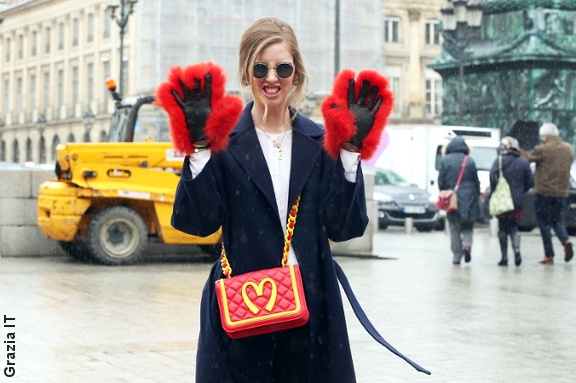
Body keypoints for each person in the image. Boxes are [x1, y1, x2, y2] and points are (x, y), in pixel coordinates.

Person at [155, 17, 427, 382]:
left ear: (296, 74)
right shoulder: (222, 141)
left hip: (312, 309)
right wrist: (200, 148)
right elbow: (196, 223)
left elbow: (344, 227)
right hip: (241, 308)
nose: (272, 78)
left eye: (283, 67)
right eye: (260, 68)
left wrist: (349, 151)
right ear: (245, 73)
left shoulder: (321, 142)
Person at [521, 122, 574, 264]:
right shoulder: (568, 148)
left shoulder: (542, 149)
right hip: (562, 192)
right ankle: (566, 241)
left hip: (544, 192)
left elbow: (527, 157)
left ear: (545, 136)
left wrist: (516, 149)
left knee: (544, 223)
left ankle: (549, 254)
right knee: (557, 220)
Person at [489, 136, 534, 266]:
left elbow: (493, 178)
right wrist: (520, 191)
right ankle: (517, 251)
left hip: (501, 201)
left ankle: (504, 257)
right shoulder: (524, 162)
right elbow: (531, 182)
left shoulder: (498, 161)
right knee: (514, 227)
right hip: (517, 201)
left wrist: (496, 191)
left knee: (502, 227)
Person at [438, 136, 480, 265]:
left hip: (453, 199)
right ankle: (467, 245)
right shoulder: (470, 161)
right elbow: (476, 181)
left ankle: (457, 256)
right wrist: (475, 194)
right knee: (467, 226)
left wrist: (446, 192)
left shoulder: (445, 161)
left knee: (454, 227)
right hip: (469, 198)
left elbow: (441, 181)